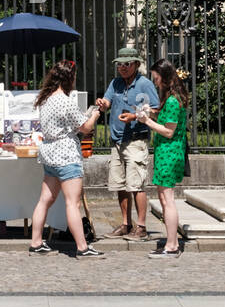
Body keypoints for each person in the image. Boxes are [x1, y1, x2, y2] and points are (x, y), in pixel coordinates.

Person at [29, 60, 104, 258]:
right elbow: (85, 128)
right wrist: (96, 115)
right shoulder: (65, 100)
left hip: (49, 153)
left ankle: (36, 242)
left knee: (45, 200)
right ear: (69, 78)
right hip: (66, 154)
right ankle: (82, 247)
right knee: (73, 203)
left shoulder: (45, 99)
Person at [95, 47, 158, 240]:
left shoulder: (145, 84)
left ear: (136, 64)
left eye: (126, 64)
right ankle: (125, 224)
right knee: (120, 185)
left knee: (136, 185)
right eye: (119, 64)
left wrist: (135, 116)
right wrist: (103, 103)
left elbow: (155, 110)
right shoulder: (116, 83)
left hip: (136, 140)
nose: (122, 67)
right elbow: (107, 101)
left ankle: (141, 227)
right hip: (117, 140)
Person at [135, 59, 187, 258]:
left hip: (169, 152)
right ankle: (170, 242)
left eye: (156, 78)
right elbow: (165, 121)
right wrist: (152, 114)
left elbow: (168, 131)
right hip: (166, 152)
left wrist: (147, 121)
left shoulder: (173, 100)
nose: (155, 82)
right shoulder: (172, 98)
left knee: (168, 200)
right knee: (165, 200)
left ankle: (172, 245)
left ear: (164, 77)